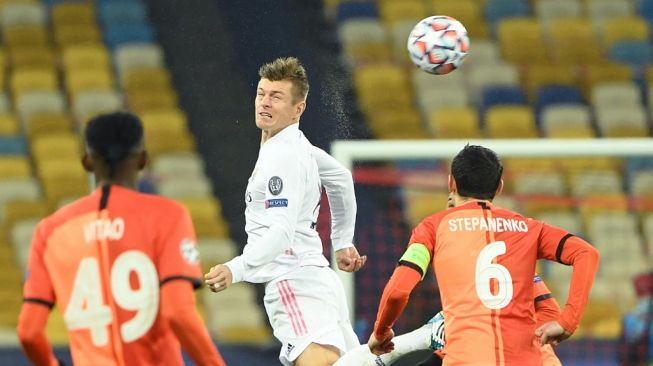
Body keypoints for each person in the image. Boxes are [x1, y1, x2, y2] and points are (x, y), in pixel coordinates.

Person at [17, 112, 226, 366]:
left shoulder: (50, 231)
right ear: (142, 160)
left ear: (87, 161)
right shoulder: (167, 216)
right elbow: (178, 313)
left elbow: (28, 332)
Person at [367, 144, 600, 365]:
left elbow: (398, 292)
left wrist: (381, 331)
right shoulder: (528, 228)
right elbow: (586, 253)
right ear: (499, 187)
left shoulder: (432, 228)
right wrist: (568, 321)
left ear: (451, 183)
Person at [204, 57, 366, 366]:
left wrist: (235, 269)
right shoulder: (299, 147)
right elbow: (341, 179)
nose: (264, 102)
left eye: (276, 97)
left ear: (298, 109)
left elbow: (280, 232)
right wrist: (343, 240)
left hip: (293, 280)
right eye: (261, 93)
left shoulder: (281, 157)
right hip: (317, 279)